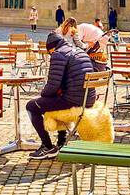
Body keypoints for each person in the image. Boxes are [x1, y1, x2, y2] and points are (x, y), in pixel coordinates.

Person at [25, 32, 94, 160]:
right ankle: (61, 141)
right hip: (88, 100)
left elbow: (52, 85)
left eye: (49, 51)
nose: (50, 54)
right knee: (56, 100)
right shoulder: (79, 51)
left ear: (52, 48)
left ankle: (47, 146)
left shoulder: (58, 54)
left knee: (31, 106)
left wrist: (43, 95)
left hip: (73, 101)